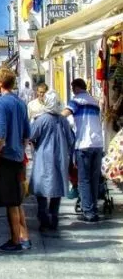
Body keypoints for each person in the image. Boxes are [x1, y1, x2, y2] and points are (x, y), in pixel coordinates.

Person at [0, 68, 31, 252]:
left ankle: (15, 240)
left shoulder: (0, 103)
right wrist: (21, 150)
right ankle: (25, 236)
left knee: (10, 203)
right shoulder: (21, 103)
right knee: (17, 200)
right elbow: (26, 134)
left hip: (6, 156)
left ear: (0, 82)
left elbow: (0, 133)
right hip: (18, 156)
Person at [31, 90, 75, 230]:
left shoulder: (41, 119)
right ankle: (54, 217)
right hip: (60, 156)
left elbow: (31, 136)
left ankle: (43, 218)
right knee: (56, 187)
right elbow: (71, 139)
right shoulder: (63, 120)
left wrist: (36, 146)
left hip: (44, 157)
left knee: (42, 187)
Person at [62, 78, 104, 222]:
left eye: (72, 88)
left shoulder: (76, 100)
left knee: (84, 179)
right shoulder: (94, 101)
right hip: (97, 144)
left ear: (75, 88)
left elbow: (64, 115)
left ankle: (88, 212)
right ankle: (94, 209)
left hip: (84, 144)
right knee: (94, 179)